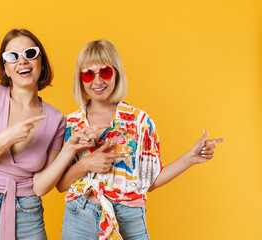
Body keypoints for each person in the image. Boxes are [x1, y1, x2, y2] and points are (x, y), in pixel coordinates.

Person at [57, 39, 225, 240]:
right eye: (88, 74)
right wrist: (86, 164)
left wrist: (190, 158)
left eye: (105, 72)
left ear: (117, 73)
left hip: (128, 217)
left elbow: (149, 181)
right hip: (79, 217)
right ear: (80, 79)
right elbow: (61, 185)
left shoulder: (139, 121)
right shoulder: (71, 123)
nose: (98, 81)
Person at [0, 29, 96, 240]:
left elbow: (40, 186)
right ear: (6, 68)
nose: (22, 61)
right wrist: (6, 138)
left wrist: (70, 148)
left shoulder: (56, 118)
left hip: (27, 213)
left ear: (41, 62)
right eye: (12, 56)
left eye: (30, 53)